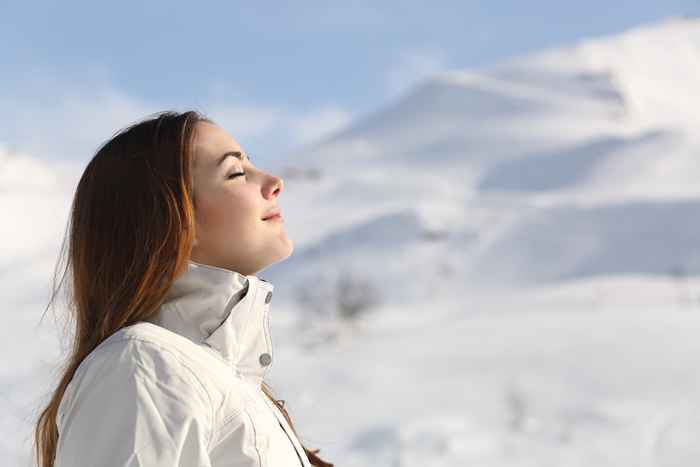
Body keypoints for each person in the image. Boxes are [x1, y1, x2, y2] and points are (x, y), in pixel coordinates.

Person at [32, 110, 334, 467]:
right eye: (235, 173)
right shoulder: (143, 366)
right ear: (173, 220)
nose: (274, 181)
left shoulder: (222, 382)